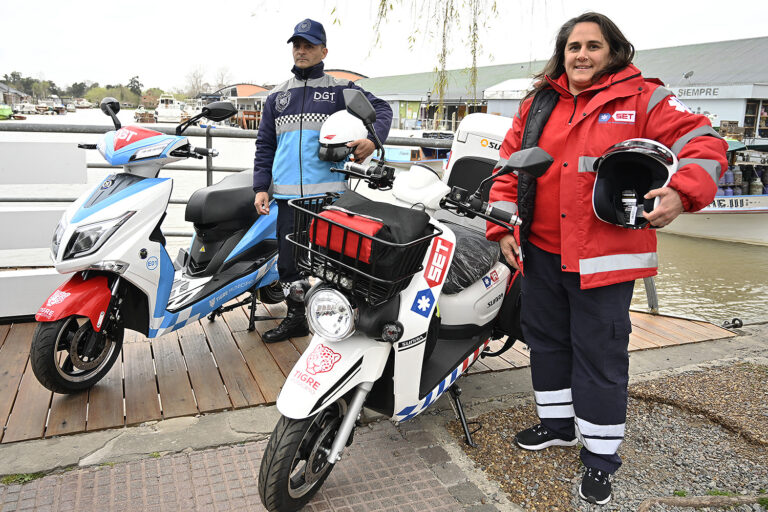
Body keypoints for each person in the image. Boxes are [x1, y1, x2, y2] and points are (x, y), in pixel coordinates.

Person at [486, 12, 727, 505]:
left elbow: (704, 140)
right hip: (539, 253)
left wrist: (684, 190)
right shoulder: (538, 103)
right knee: (547, 344)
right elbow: (509, 167)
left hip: (606, 260)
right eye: (574, 46)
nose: (582, 55)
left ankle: (600, 458)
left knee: (600, 359)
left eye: (593, 46)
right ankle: (557, 425)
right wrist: (500, 228)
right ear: (563, 53)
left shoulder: (645, 98)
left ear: (613, 51)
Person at [253, 18, 393, 343]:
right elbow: (265, 145)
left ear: (323, 50)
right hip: (288, 198)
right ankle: (297, 317)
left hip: (330, 197)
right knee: (289, 264)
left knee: (337, 264)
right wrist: (261, 187)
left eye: (309, 45)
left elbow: (382, 109)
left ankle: (339, 320)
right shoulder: (277, 97)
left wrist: (372, 141)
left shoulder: (339, 90)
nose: (301, 51)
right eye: (297, 45)